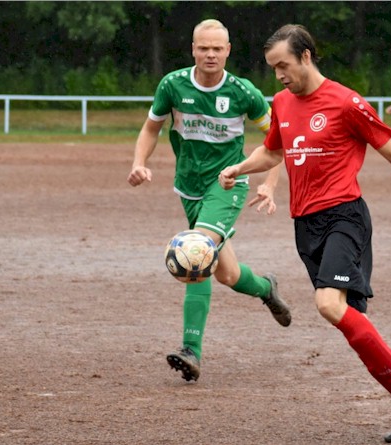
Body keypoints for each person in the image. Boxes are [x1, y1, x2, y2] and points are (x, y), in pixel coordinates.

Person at [219, 24, 391, 443]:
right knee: (348, 318)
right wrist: (240, 167)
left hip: (345, 216)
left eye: (284, 65)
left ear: (306, 56)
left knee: (327, 304)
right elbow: (272, 151)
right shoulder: (282, 102)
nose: (279, 75)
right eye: (272, 68)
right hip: (305, 226)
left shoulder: (346, 102)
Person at [127, 19, 292, 383]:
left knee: (197, 251)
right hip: (189, 188)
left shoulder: (243, 92)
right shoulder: (172, 85)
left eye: (217, 48)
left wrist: (270, 184)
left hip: (228, 183)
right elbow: (151, 128)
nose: (211, 54)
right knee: (227, 273)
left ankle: (191, 349)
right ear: (193, 49)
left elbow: (278, 141)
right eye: (204, 48)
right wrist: (139, 162)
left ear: (228, 50)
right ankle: (266, 288)